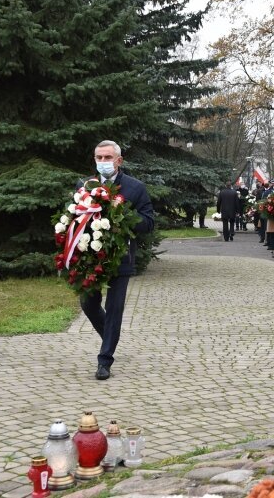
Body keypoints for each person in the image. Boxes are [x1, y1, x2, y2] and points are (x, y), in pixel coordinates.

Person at [78, 140, 154, 380]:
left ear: (119, 161)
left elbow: (148, 223)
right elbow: (74, 216)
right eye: (99, 158)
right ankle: (110, 337)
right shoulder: (84, 185)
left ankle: (105, 360)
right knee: (88, 304)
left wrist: (121, 214)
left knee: (114, 308)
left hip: (121, 257)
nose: (103, 162)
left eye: (107, 158)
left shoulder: (135, 188)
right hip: (91, 257)